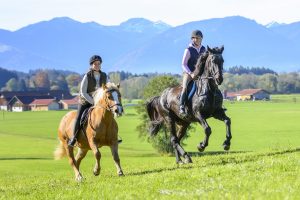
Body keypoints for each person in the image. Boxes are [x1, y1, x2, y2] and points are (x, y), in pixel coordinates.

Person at [68, 55, 107, 147]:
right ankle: (74, 138)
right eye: (95, 64)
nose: (97, 65)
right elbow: (83, 91)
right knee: (79, 117)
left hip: (99, 102)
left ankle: (113, 136)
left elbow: (107, 88)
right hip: (85, 101)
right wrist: (93, 102)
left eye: (98, 64)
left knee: (109, 114)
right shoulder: (87, 76)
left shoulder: (104, 75)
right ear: (91, 65)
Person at [179, 30, 206, 117]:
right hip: (189, 73)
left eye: (199, 38)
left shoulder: (203, 49)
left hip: (200, 73)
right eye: (195, 38)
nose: (197, 40)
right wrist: (191, 73)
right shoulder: (188, 50)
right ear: (193, 39)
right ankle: (182, 106)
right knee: (185, 87)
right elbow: (183, 64)